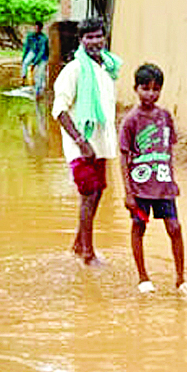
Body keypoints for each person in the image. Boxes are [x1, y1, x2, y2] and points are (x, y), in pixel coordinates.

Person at [52, 19, 121, 266]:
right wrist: (81, 142)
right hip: (80, 146)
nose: (94, 42)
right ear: (81, 40)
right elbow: (59, 110)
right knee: (89, 193)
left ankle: (78, 243)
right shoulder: (74, 70)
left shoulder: (108, 67)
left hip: (101, 144)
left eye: (98, 36)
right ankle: (88, 254)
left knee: (98, 191)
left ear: (105, 38)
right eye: (89, 37)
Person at [120, 64, 187, 294]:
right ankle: (143, 277)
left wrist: (171, 179)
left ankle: (180, 279)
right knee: (138, 227)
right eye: (146, 88)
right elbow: (123, 157)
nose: (151, 94)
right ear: (136, 89)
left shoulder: (165, 116)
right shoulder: (130, 120)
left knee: (175, 227)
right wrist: (128, 192)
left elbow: (169, 149)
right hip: (140, 187)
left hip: (164, 186)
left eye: (156, 89)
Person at [19, 21, 49, 96]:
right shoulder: (30, 36)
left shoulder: (44, 38)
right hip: (33, 51)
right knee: (26, 62)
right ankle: (23, 77)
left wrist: (34, 63)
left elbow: (42, 51)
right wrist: (23, 58)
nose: (36, 29)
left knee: (40, 73)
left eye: (38, 28)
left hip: (43, 57)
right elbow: (26, 47)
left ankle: (39, 90)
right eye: (35, 28)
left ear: (41, 29)